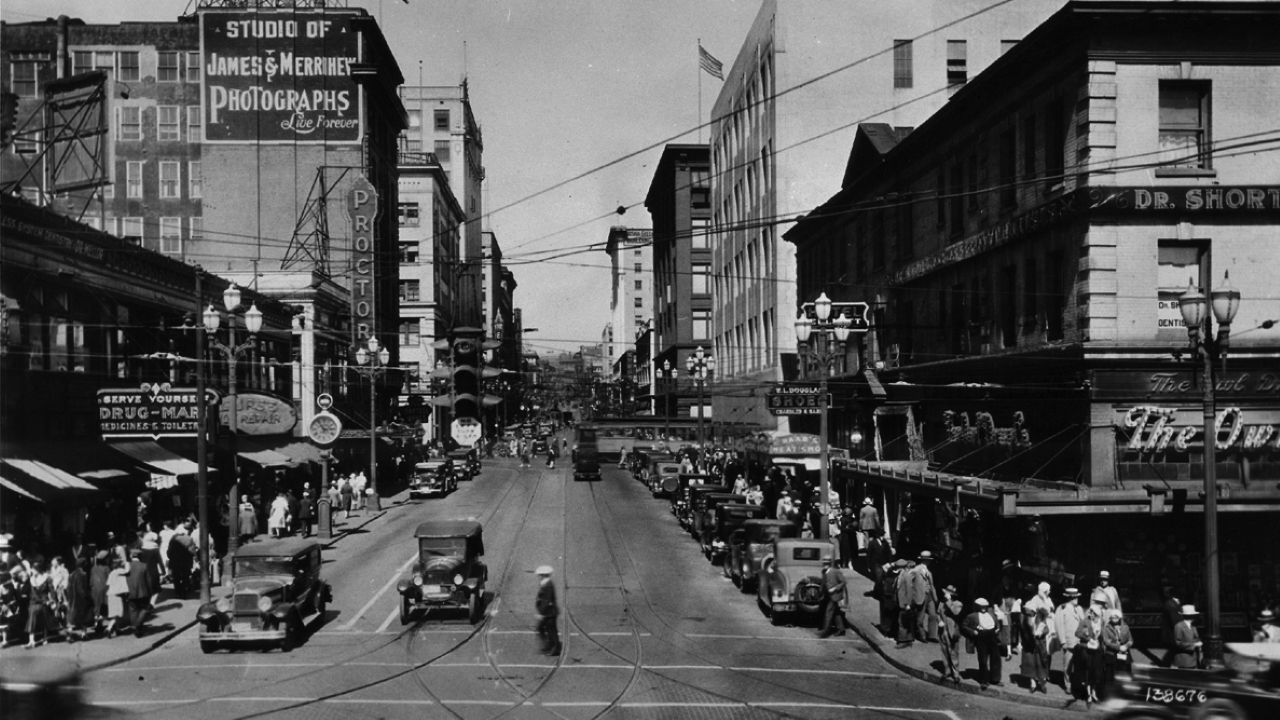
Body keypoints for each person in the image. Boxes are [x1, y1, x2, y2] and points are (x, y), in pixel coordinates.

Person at [962, 597, 1004, 690]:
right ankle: (984, 680)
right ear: (977, 607)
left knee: (996, 658)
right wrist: (973, 632)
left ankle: (995, 679)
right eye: (981, 606)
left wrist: (997, 629)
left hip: (992, 636)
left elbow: (997, 622)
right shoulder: (972, 616)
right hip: (981, 637)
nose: (983, 608)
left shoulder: (991, 614)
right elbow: (964, 626)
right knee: (983, 659)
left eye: (985, 606)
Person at [1053, 587, 1085, 696]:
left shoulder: (1079, 608)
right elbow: (1059, 626)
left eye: (1077, 597)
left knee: (1078, 664)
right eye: (1074, 598)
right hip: (1068, 641)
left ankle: (1077, 684)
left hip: (1079, 642)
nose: (1077, 599)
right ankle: (1068, 684)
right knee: (1067, 665)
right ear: (1069, 598)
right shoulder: (1062, 608)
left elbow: (1084, 623)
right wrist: (1063, 642)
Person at [1075, 600, 1107, 703]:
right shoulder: (1085, 621)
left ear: (1098, 614)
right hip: (1087, 651)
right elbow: (1077, 633)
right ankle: (1088, 694)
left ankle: (1094, 693)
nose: (1091, 614)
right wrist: (1088, 638)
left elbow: (1103, 635)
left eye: (1093, 613)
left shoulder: (1101, 622)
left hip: (1097, 651)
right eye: (1090, 612)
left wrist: (1105, 643)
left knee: (1096, 673)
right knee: (1087, 672)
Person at [25, 559, 57, 648]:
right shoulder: (30, 579)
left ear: (38, 570)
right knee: (32, 618)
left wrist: (53, 601)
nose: (31, 571)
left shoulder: (47, 578)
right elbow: (27, 591)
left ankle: (44, 638)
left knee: (44, 619)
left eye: (33, 569)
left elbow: (52, 590)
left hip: (44, 602)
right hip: (33, 602)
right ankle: (32, 640)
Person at [911, 550, 939, 642]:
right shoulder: (916, 570)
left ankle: (932, 636)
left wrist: (935, 598)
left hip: (929, 595)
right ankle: (922, 635)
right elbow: (909, 581)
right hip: (920, 596)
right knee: (920, 617)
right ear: (924, 560)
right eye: (928, 560)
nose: (929, 562)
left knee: (933, 615)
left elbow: (932, 585)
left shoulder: (929, 570)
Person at [1102, 611, 1134, 691]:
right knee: (1110, 676)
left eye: (1116, 617)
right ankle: (1110, 692)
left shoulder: (1125, 627)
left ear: (1119, 618)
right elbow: (1107, 642)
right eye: (1112, 617)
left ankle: (1124, 691)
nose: (1114, 619)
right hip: (1111, 655)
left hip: (1124, 654)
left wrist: (1126, 646)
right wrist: (1119, 647)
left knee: (1125, 674)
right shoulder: (1106, 628)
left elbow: (1130, 640)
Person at [1025, 607, 1054, 694]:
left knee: (1041, 665)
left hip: (1041, 645)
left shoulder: (1045, 621)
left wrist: (1042, 633)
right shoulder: (1032, 620)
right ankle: (1033, 685)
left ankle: (1042, 684)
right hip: (1033, 645)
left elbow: (1048, 630)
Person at [938, 585, 964, 684]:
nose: (946, 594)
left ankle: (956, 674)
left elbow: (955, 612)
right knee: (944, 651)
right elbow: (937, 613)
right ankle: (947, 671)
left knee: (953, 653)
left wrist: (948, 600)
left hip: (952, 631)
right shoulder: (942, 601)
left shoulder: (958, 603)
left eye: (948, 593)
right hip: (943, 630)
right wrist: (939, 621)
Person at [817, 554, 847, 638]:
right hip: (828, 595)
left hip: (835, 595)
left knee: (828, 612)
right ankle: (841, 629)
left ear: (830, 563)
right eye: (824, 563)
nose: (825, 565)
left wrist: (835, 588)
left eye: (827, 563)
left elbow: (843, 582)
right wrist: (820, 592)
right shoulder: (824, 572)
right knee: (836, 612)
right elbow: (823, 583)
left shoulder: (835, 571)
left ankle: (825, 632)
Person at [65, 557, 94, 642]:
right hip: (81, 600)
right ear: (83, 565)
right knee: (85, 617)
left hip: (72, 599)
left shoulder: (71, 574)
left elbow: (68, 588)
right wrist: (88, 597)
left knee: (73, 618)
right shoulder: (83, 574)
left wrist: (69, 598)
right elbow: (82, 589)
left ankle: (69, 634)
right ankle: (84, 634)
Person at [534, 565, 561, 656]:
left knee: (550, 630)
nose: (538, 577)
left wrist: (542, 614)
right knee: (544, 629)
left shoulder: (548, 585)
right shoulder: (545, 584)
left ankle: (554, 648)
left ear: (543, 575)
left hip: (549, 613)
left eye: (539, 575)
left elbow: (547, 601)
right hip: (547, 612)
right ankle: (550, 645)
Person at [125, 548, 152, 636]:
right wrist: (150, 592)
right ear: (140, 556)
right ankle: (138, 625)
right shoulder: (144, 565)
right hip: (143, 592)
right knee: (146, 608)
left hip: (130, 591)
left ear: (131, 556)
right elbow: (149, 580)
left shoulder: (127, 566)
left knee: (133, 610)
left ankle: (137, 629)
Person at [1171, 604, 1203, 669]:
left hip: (1194, 659)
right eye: (1194, 615)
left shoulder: (1193, 626)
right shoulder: (1179, 626)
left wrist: (1199, 644)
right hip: (1185, 660)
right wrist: (1195, 645)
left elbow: (1196, 638)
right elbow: (1178, 643)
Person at [895, 559, 918, 648]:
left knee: (901, 621)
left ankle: (903, 641)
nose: (897, 569)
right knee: (906, 621)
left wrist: (908, 604)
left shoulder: (906, 576)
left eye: (898, 567)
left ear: (902, 568)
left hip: (905, 603)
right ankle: (908, 639)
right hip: (901, 601)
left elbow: (910, 590)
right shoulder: (901, 575)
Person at [105, 558, 128, 637]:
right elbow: (127, 571)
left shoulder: (112, 573)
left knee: (114, 612)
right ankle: (109, 628)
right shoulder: (120, 571)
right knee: (117, 613)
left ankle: (117, 629)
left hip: (110, 594)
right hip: (117, 595)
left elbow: (109, 584)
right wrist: (127, 563)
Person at [1160, 584, 1182, 667]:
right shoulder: (1170, 604)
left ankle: (1167, 664)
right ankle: (1165, 665)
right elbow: (1174, 620)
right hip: (1172, 633)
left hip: (1172, 632)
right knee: (1173, 650)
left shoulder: (1173, 603)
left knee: (1173, 650)